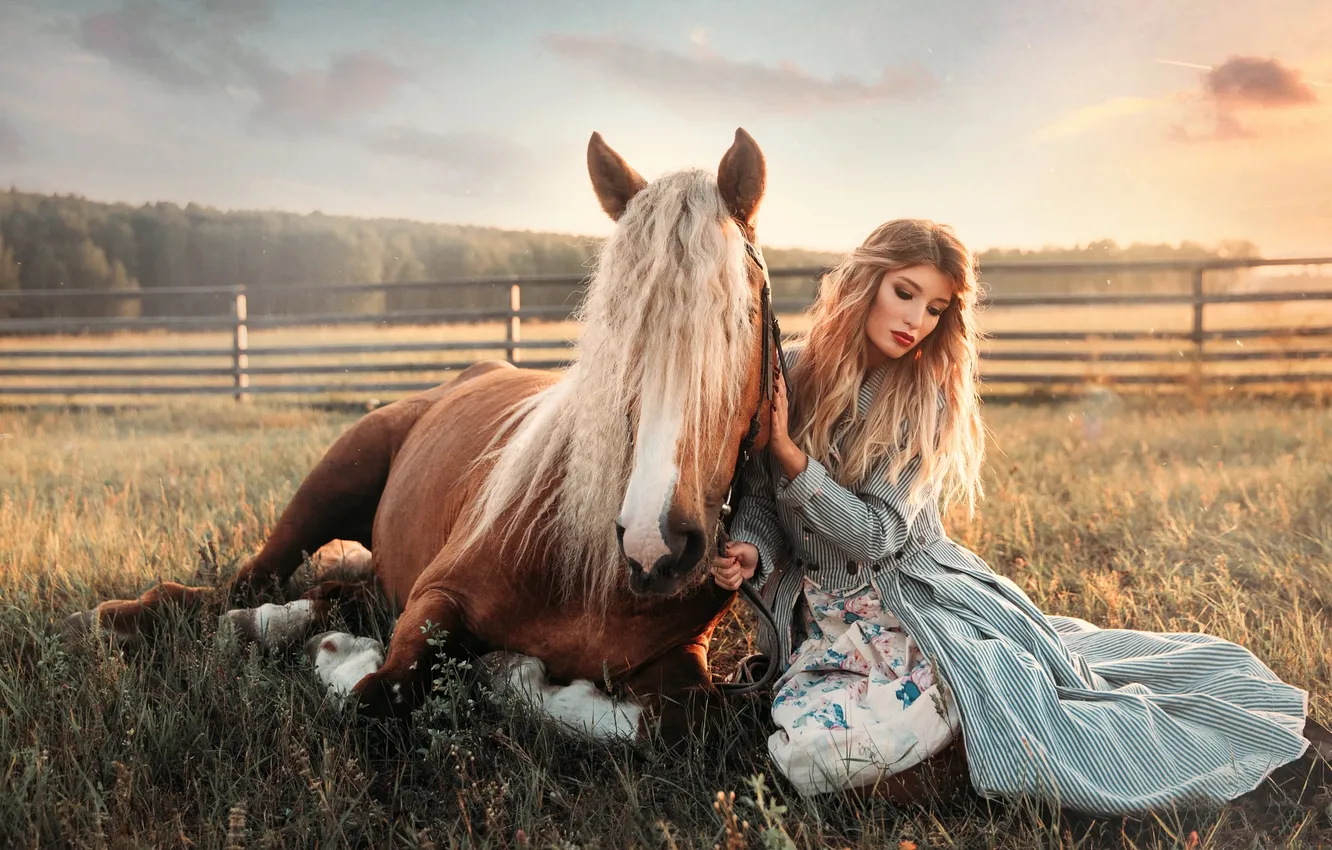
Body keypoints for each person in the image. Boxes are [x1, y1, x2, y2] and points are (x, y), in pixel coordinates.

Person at [711, 218, 1323, 816]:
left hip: (902, 598)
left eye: (935, 308)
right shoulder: (790, 371)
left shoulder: (923, 397)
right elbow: (761, 495)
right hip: (817, 617)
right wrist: (752, 548)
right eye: (905, 293)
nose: (916, 320)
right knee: (806, 754)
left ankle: (985, 751)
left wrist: (794, 457)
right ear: (865, 282)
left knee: (964, 710)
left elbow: (878, 536)